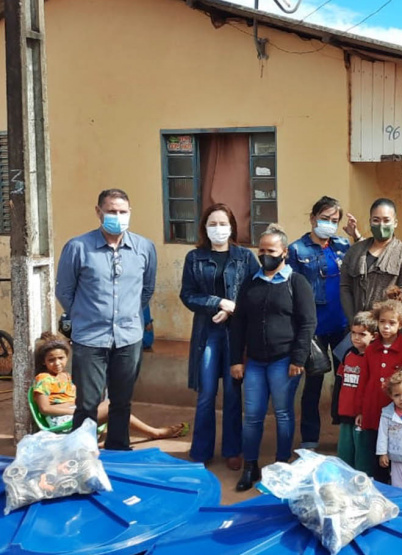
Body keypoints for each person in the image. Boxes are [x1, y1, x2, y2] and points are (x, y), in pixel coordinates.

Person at [56, 189, 157, 451]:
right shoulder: (78, 247)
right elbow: (64, 290)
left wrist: (129, 314)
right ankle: (81, 455)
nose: (118, 216)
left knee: (122, 402)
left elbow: (146, 289)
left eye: (123, 211)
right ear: (98, 212)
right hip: (90, 339)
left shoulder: (144, 248)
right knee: (88, 403)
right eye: (112, 211)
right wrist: (84, 316)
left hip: (128, 338)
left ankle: (117, 451)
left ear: (130, 213)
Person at [230, 224, 317, 491]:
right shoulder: (251, 282)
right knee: (253, 416)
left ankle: (281, 466)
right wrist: (236, 359)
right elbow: (239, 324)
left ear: (284, 253)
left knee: (283, 414)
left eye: (271, 250)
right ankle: (250, 466)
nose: (265, 255)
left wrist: (298, 359)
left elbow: (307, 323)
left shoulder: (296, 282)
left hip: (284, 361)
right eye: (262, 250)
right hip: (255, 361)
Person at [180, 203, 260, 471]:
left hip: (236, 333)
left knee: (232, 392)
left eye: (223, 224)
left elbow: (254, 291)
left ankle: (232, 449)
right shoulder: (195, 257)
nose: (218, 229)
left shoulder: (245, 257)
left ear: (232, 226)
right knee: (206, 392)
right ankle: (201, 449)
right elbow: (188, 295)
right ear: (204, 228)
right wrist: (219, 302)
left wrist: (232, 308)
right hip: (207, 332)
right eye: (212, 224)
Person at [288, 196, 360, 450]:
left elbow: (365, 264)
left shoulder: (343, 245)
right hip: (314, 329)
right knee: (314, 383)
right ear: (312, 217)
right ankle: (309, 439)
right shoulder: (296, 250)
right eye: (324, 219)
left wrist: (356, 236)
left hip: (342, 326)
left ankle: (344, 435)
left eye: (334, 220)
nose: (329, 224)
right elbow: (291, 290)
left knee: (347, 380)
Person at [32, 332, 187, 440]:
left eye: (61, 358)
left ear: (67, 357)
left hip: (73, 413)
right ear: (43, 362)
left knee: (108, 399)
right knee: (114, 404)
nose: (57, 363)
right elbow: (45, 409)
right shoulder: (44, 379)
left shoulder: (66, 376)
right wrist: (74, 412)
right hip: (61, 420)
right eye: (51, 360)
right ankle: (155, 433)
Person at [355, 287, 402, 482]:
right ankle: (379, 485)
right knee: (375, 450)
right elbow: (363, 380)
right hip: (373, 410)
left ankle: (396, 485)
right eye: (382, 322)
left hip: (396, 412)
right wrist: (360, 411)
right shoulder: (371, 350)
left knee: (395, 450)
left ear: (401, 324)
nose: (386, 327)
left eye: (391, 323)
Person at [341, 198, 402, 346]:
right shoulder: (354, 251)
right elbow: (345, 287)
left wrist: (378, 322)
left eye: (386, 220)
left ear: (395, 223)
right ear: (370, 221)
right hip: (359, 333)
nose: (381, 225)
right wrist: (355, 321)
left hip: (393, 334)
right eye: (376, 220)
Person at [334, 311, 377, 473]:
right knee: (345, 455)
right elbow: (339, 383)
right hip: (346, 413)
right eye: (353, 333)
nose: (356, 337)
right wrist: (335, 411)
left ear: (373, 336)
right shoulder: (348, 354)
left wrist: (365, 412)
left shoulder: (373, 358)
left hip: (364, 418)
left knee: (363, 458)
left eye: (362, 334)